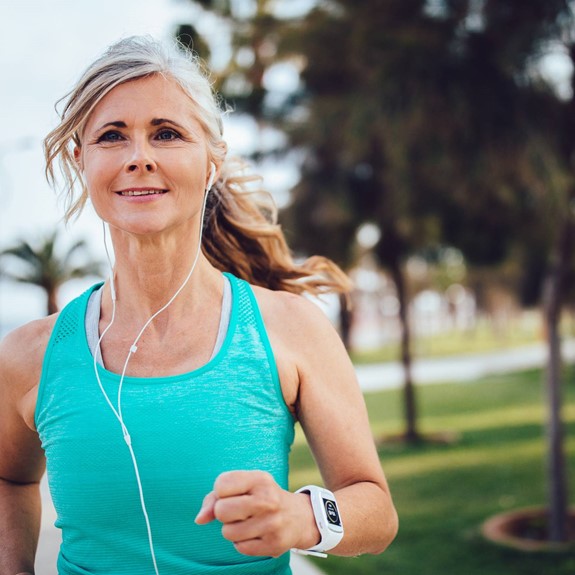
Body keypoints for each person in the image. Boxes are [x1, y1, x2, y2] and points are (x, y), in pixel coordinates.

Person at [0, 36, 398, 575]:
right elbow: (9, 477)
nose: (139, 158)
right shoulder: (29, 355)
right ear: (81, 161)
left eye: (166, 134)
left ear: (212, 161)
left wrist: (302, 516)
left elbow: (374, 507)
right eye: (112, 137)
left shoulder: (290, 329)